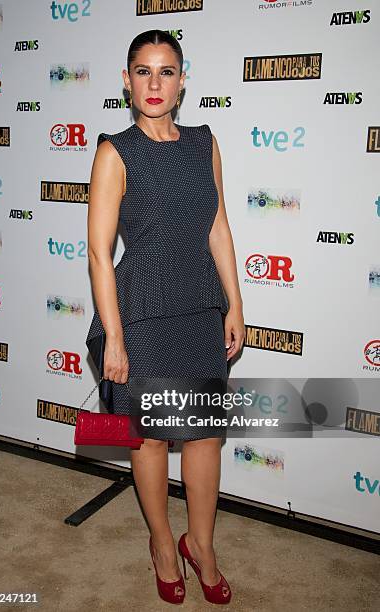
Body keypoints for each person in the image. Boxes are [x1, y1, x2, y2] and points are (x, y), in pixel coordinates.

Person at [86, 29, 245, 605]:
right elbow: (100, 254)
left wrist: (236, 302)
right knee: (149, 440)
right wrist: (115, 338)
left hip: (200, 306)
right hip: (143, 313)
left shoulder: (204, 142)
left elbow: (219, 226)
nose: (155, 83)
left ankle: (200, 544)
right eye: (143, 71)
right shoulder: (114, 150)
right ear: (126, 81)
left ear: (182, 82)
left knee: (203, 437)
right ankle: (160, 541)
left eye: (167, 71)